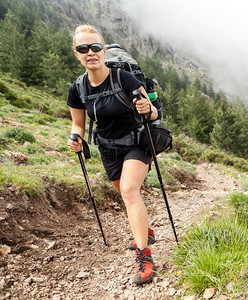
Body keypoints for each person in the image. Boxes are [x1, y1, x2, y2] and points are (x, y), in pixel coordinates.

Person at [67, 25, 158, 285]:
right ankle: (146, 231)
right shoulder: (78, 89)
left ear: (104, 50)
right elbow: (78, 123)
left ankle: (144, 256)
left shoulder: (124, 79)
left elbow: (153, 113)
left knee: (130, 191)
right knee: (124, 192)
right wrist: (76, 138)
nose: (90, 53)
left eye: (95, 47)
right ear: (77, 54)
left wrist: (146, 108)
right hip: (107, 148)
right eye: (83, 49)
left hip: (136, 143)